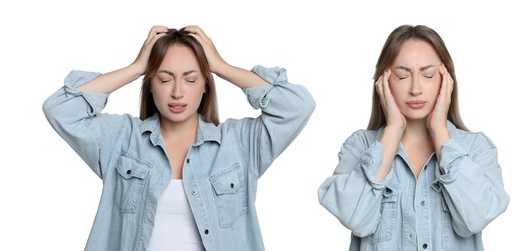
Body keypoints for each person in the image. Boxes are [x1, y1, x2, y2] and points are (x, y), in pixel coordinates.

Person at [43, 25, 315, 250]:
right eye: (164, 79)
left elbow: (297, 106)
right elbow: (60, 109)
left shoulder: (238, 145)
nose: (177, 92)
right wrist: (136, 67)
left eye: (190, 79)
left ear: (205, 85)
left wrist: (221, 65)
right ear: (150, 86)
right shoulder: (122, 140)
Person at [317, 24, 510, 250]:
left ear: (445, 79)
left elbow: (476, 218)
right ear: (383, 81)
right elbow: (354, 217)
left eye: (428, 75)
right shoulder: (359, 146)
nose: (416, 88)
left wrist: (439, 130)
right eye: (401, 76)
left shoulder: (476, 148)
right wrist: (393, 129)